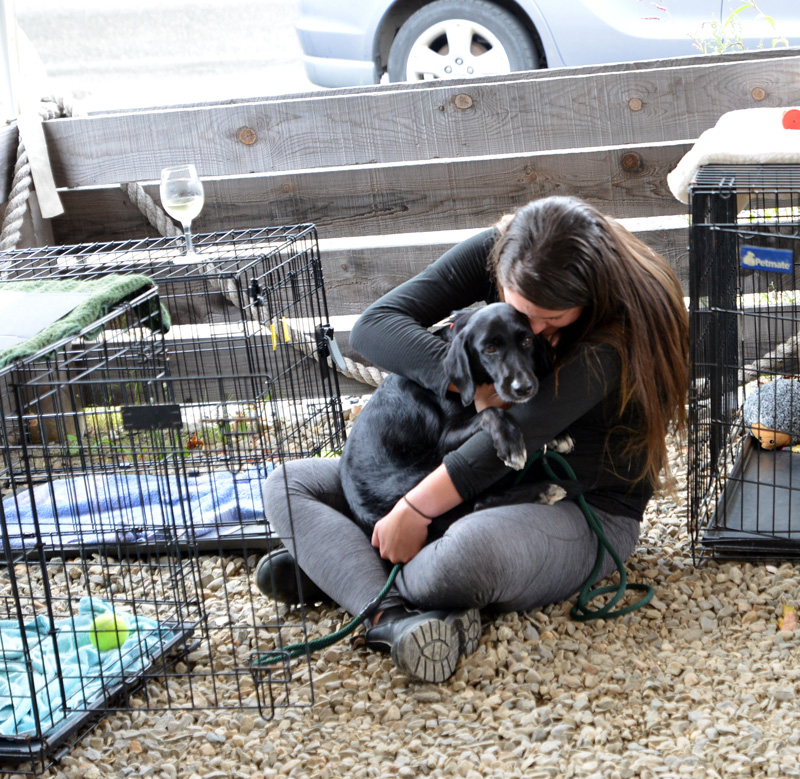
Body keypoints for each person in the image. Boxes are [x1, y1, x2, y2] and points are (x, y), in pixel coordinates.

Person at [258, 195, 689, 684]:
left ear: (589, 295)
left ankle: (346, 571)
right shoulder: (507, 247)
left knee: (460, 559)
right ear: (503, 274)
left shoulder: (621, 329)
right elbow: (373, 328)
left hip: (576, 505)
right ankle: (392, 618)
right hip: (452, 474)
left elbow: (508, 441)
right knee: (287, 485)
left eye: (555, 321)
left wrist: (415, 511)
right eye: (523, 314)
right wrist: (471, 385)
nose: (538, 331)